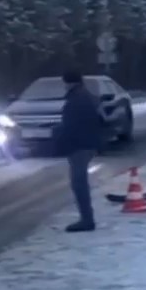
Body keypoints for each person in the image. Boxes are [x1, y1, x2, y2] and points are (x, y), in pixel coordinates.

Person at [55, 70, 102, 232]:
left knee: (79, 183)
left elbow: (72, 125)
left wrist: (60, 138)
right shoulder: (86, 96)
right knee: (79, 182)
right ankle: (86, 218)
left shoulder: (76, 99)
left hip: (79, 145)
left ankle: (87, 220)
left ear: (69, 82)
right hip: (87, 143)